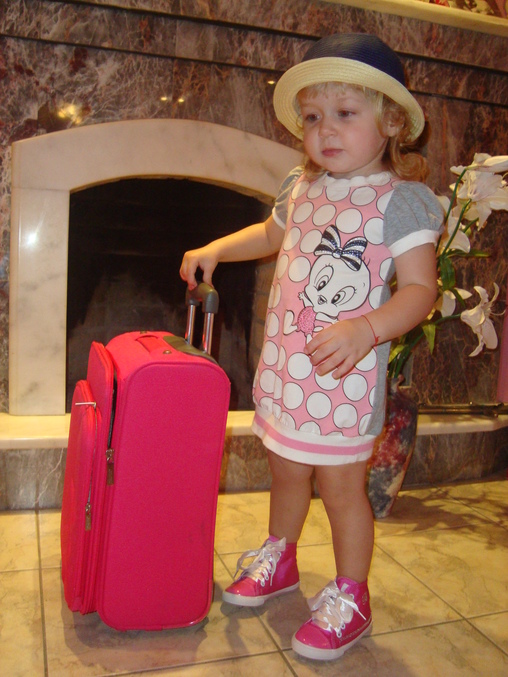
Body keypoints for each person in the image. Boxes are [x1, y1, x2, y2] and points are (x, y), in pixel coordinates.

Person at [180, 33, 443, 661]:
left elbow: (420, 291)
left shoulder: (399, 201)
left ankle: (352, 595)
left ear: (391, 121)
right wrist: (216, 248)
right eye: (313, 117)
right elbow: (270, 235)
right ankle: (282, 556)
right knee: (286, 470)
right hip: (288, 372)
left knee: (342, 491)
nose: (325, 130)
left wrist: (366, 328)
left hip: (342, 386)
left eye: (345, 114)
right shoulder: (300, 186)